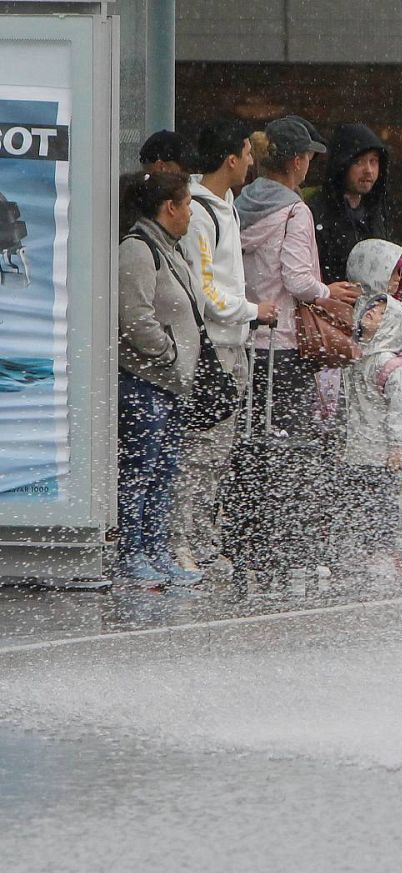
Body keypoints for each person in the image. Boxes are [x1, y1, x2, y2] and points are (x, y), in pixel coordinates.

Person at [170, 119, 274, 575]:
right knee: (198, 451)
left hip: (235, 347)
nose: (253, 161)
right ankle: (178, 541)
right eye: (248, 153)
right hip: (210, 350)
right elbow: (205, 290)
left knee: (219, 453)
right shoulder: (201, 214)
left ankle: (201, 537)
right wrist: (252, 310)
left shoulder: (227, 205)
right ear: (231, 159)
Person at [236, 116, 359, 438]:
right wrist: (327, 291)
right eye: (308, 158)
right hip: (282, 340)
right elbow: (298, 281)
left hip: (242, 338)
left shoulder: (239, 206)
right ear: (296, 160)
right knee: (285, 439)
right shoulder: (294, 211)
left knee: (248, 436)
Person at [116, 172, 204, 587]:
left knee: (163, 471)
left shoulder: (171, 248)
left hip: (169, 385)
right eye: (187, 204)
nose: (190, 213)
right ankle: (130, 552)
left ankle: (154, 548)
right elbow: (135, 318)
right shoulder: (138, 249)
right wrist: (170, 354)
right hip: (145, 382)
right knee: (140, 468)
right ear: (170, 206)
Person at [340, 239, 402, 575]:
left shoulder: (387, 363)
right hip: (361, 444)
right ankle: (365, 548)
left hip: (382, 448)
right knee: (363, 498)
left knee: (381, 500)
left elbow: (400, 409)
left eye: (379, 311)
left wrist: (397, 445)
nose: (371, 312)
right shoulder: (359, 356)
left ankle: (382, 549)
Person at [308, 124, 391, 284]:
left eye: (373, 161)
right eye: (359, 162)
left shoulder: (376, 210)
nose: (368, 170)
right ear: (342, 165)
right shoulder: (317, 211)